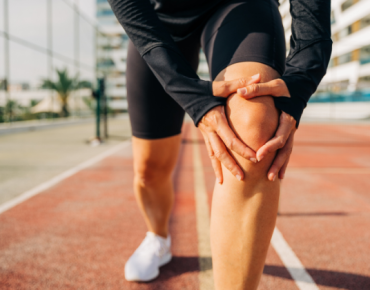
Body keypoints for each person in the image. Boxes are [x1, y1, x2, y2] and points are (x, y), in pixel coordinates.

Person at [107, 0, 332, 288]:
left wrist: (304, 71)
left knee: (254, 125)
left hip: (240, 6)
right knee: (149, 170)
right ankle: (158, 238)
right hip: (158, 15)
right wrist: (188, 93)